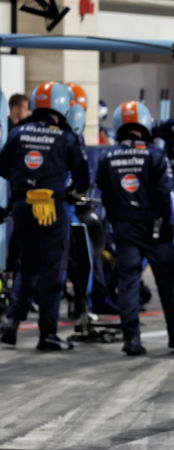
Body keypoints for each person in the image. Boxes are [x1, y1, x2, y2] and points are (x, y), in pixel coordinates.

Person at [96, 101, 174, 356]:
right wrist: (170, 225)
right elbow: (167, 195)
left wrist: (117, 223)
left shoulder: (107, 156)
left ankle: (132, 338)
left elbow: (104, 194)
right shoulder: (155, 154)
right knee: (167, 282)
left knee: (128, 282)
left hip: (124, 228)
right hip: (155, 228)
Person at [0, 82, 89, 350]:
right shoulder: (65, 137)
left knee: (26, 268)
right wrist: (68, 190)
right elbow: (83, 177)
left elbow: (3, 167)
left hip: (23, 209)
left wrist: (26, 184)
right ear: (62, 106)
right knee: (52, 271)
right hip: (51, 211)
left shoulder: (18, 132)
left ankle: (12, 323)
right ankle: (47, 334)